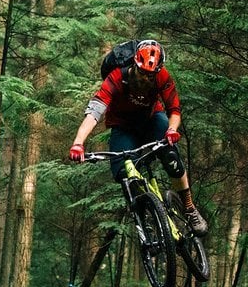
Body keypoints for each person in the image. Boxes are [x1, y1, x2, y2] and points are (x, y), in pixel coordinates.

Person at [68, 39, 209, 236]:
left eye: (151, 76)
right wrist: (78, 143)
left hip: (152, 119)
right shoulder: (116, 77)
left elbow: (174, 110)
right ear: (135, 64)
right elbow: (94, 112)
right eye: (142, 73)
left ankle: (189, 207)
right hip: (123, 127)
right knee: (123, 175)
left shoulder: (162, 77)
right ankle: (146, 215)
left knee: (172, 157)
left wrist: (171, 130)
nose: (146, 79)